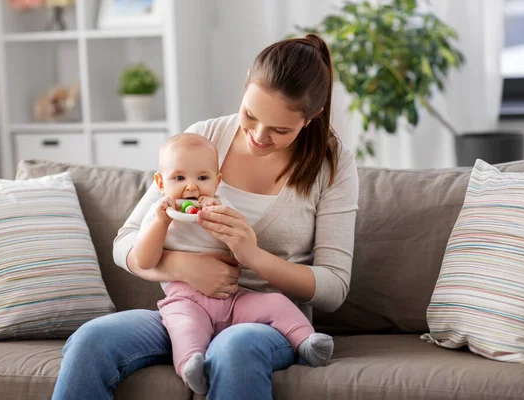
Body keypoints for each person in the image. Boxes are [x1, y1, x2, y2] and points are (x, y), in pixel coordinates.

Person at [51, 33, 359, 400]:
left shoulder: (331, 164)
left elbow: (334, 288)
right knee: (91, 340)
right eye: (250, 115)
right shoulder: (204, 137)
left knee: (233, 348)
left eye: (280, 130)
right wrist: (181, 267)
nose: (259, 136)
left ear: (313, 117)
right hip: (185, 313)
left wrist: (253, 257)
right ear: (246, 84)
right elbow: (125, 244)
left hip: (264, 323)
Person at [137, 132, 334, 394]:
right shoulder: (158, 213)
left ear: (217, 182)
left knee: (276, 302)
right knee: (184, 327)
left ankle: (307, 342)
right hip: (185, 300)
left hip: (233, 298)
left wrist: (222, 221)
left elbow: (246, 245)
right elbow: (144, 260)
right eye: (179, 178)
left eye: (203, 178)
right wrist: (162, 223)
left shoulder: (222, 206)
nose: (192, 187)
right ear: (161, 182)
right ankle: (191, 366)